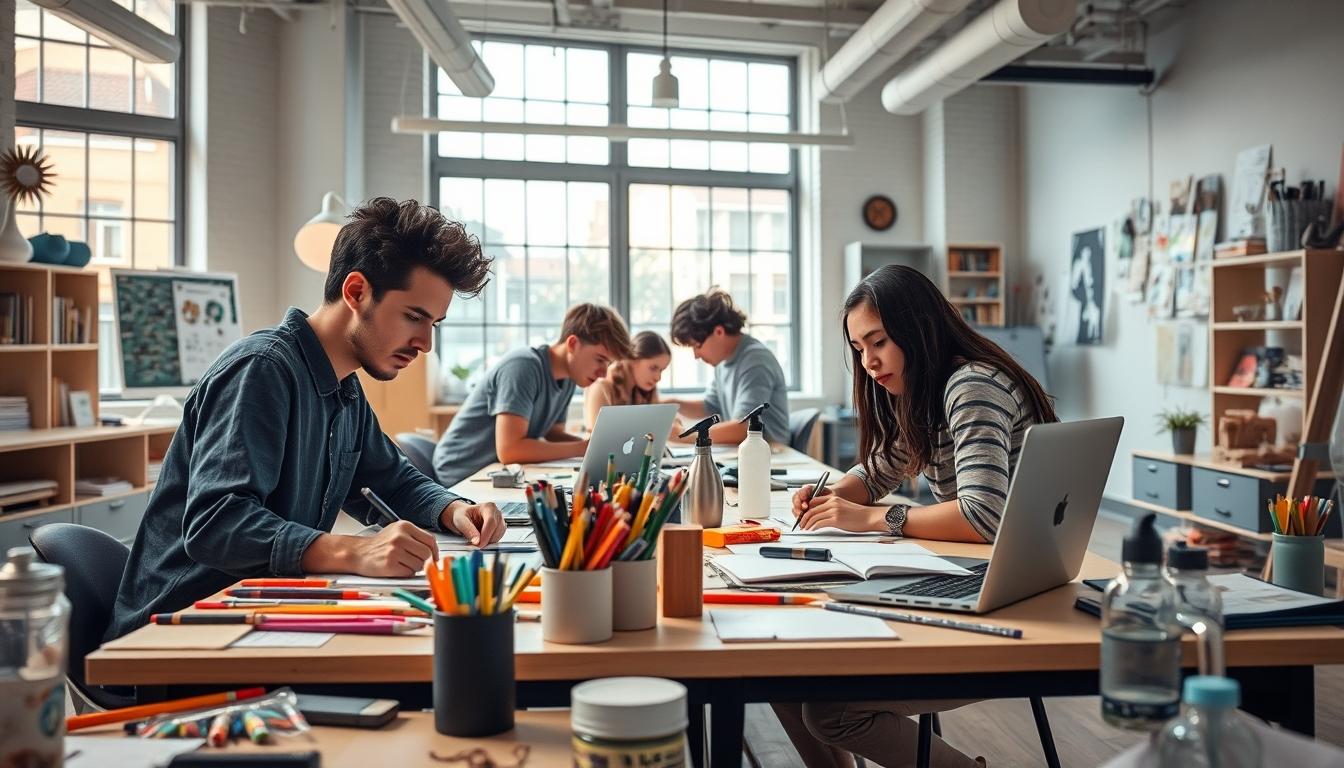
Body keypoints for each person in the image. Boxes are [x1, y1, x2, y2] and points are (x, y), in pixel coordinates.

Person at [108, 197, 506, 641]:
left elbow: (391, 479)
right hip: (176, 633)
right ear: (356, 292)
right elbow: (216, 523)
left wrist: (456, 510)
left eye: (435, 323)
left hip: (263, 613)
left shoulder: (344, 387)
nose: (426, 343)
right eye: (414, 316)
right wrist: (355, 551)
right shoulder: (261, 369)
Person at [777, 264, 1058, 768]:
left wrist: (869, 520)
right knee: (776, 670)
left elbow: (982, 517)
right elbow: (880, 469)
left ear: (918, 327)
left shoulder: (971, 384)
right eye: (859, 349)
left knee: (830, 710)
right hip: (975, 577)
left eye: (878, 341)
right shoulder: (927, 390)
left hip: (1011, 598)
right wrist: (833, 494)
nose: (868, 361)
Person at [432, 304, 634, 488]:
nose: (603, 373)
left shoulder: (570, 379)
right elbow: (510, 451)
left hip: (501, 474)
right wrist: (582, 448)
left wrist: (597, 445)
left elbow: (552, 434)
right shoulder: (524, 366)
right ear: (573, 344)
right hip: (461, 473)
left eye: (608, 364)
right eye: (600, 360)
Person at [667, 289, 789, 445]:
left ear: (719, 332)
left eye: (697, 346)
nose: (696, 355)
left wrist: (685, 435)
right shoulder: (723, 361)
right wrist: (671, 405)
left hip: (773, 455)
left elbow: (744, 428)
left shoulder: (755, 361)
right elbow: (710, 406)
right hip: (746, 452)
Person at [582, 330, 672, 431]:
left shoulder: (644, 393)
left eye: (661, 370)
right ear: (633, 360)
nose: (658, 378)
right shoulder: (601, 388)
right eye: (653, 368)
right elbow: (597, 443)